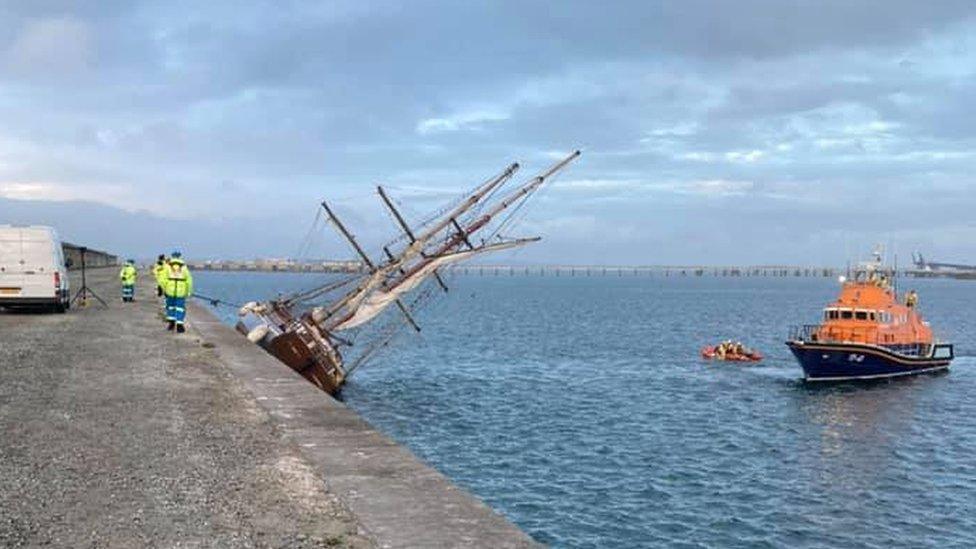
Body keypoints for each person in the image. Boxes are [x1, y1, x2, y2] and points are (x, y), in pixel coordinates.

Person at [161, 251, 193, 333]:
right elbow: (189, 280)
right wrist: (189, 291)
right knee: (180, 308)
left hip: (170, 290)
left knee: (170, 306)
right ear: (179, 257)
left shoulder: (167, 266)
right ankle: (179, 325)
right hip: (181, 290)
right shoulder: (184, 267)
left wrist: (164, 288)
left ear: (172, 256)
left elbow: (163, 279)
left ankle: (171, 323)